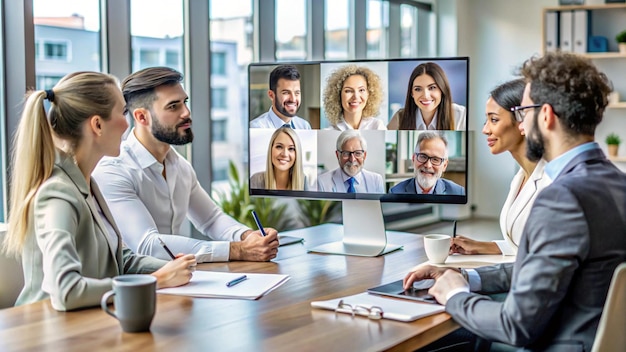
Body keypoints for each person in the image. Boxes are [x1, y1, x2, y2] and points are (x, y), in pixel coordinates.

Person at [404, 52, 626, 351]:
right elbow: (543, 269)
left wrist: (455, 295)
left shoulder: (562, 196)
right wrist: (465, 276)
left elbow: (517, 325)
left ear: (545, 115)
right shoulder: (617, 182)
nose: (521, 122)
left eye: (524, 111)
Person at [3, 72, 195, 311]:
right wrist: (159, 279)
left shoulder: (88, 183)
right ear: (97, 125)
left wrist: (172, 266)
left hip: (91, 321)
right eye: (123, 113)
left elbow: (121, 260)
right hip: (47, 333)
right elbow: (66, 290)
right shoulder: (56, 195)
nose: (128, 124)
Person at [93, 67, 279, 263]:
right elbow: (147, 245)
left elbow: (211, 219)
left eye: (185, 102)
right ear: (141, 117)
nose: (186, 113)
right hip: (137, 287)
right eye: (173, 106)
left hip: (179, 280)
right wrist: (239, 250)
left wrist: (248, 236)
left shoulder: (179, 166)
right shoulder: (113, 170)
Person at [450, 79, 551, 256]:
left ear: (523, 120)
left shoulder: (551, 181)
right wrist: (483, 246)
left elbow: (541, 258)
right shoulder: (520, 177)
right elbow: (522, 245)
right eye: (486, 120)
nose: (485, 130)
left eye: (494, 120)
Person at [387, 62, 466, 130]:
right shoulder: (400, 118)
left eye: (432, 88)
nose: (425, 95)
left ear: (442, 90)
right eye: (418, 89)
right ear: (412, 93)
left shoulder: (461, 115)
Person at [389, 131, 464, 195]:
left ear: (444, 165)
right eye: (423, 156)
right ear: (413, 159)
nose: (428, 165)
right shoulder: (395, 192)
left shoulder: (458, 192)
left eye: (435, 159)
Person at [317, 130, 384, 193]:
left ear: (364, 155)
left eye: (357, 153)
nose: (352, 159)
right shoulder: (322, 182)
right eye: (346, 153)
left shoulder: (376, 181)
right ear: (338, 155)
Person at [322, 65, 386, 130]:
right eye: (348, 91)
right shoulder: (329, 130)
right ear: (338, 95)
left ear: (369, 94)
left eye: (361, 90)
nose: (356, 97)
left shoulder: (377, 126)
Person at [250, 64, 312, 129]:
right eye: (286, 93)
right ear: (271, 95)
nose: (293, 99)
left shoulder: (304, 126)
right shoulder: (256, 128)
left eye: (297, 93)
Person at [250, 126, 307, 190]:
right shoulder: (255, 181)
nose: (285, 154)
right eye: (279, 147)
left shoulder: (303, 181)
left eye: (291, 148)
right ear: (271, 149)